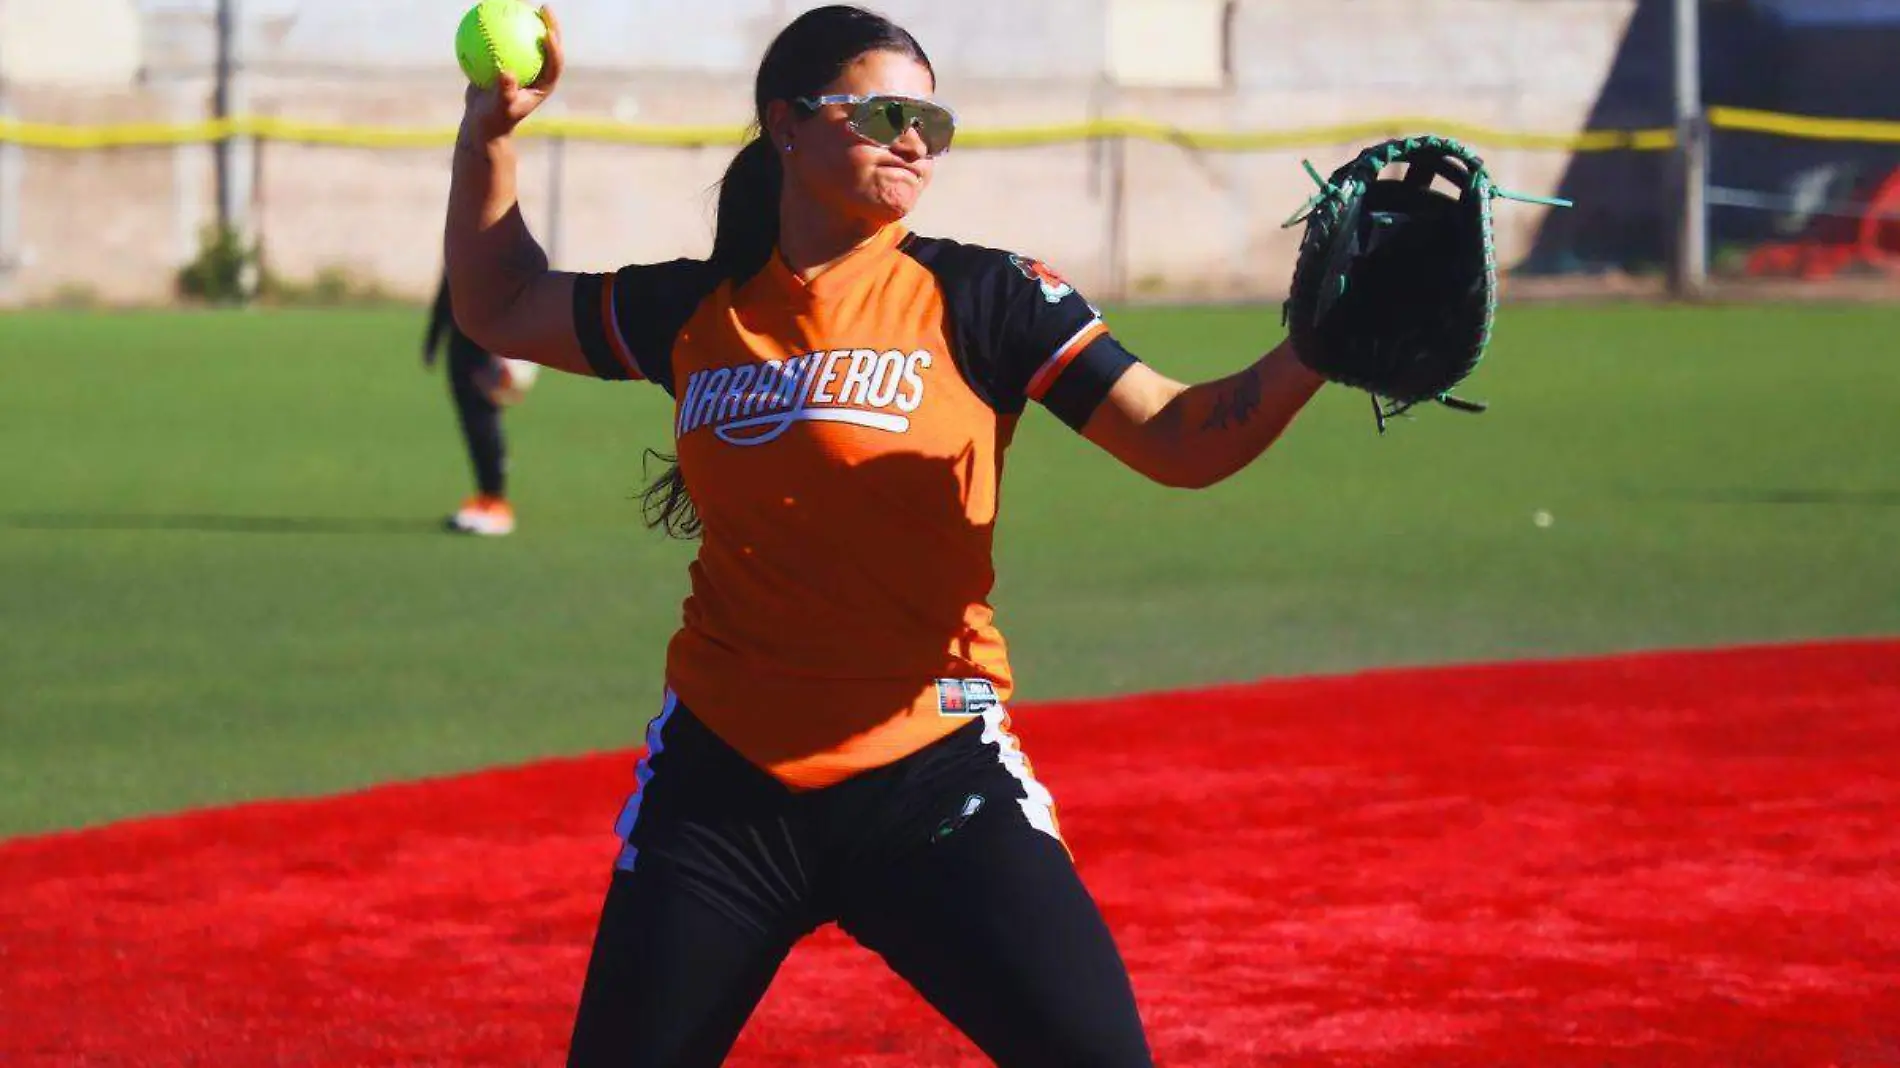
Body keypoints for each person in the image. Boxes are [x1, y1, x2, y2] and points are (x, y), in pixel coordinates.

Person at [444, 5, 1325, 1065]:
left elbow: (1178, 439)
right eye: (885, 112)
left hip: (930, 777)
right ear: (787, 125)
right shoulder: (700, 308)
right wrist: (489, 129)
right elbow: (498, 305)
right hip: (723, 786)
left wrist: (1308, 352)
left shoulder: (986, 297)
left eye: (933, 121)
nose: (915, 139)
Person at [423, 272, 536, 536]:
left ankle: (497, 503)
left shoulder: (499, 236)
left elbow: (514, 288)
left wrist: (502, 350)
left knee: (483, 419)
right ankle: (485, 499)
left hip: (485, 344)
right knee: (471, 420)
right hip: (461, 340)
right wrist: (435, 335)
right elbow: (449, 281)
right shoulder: (463, 232)